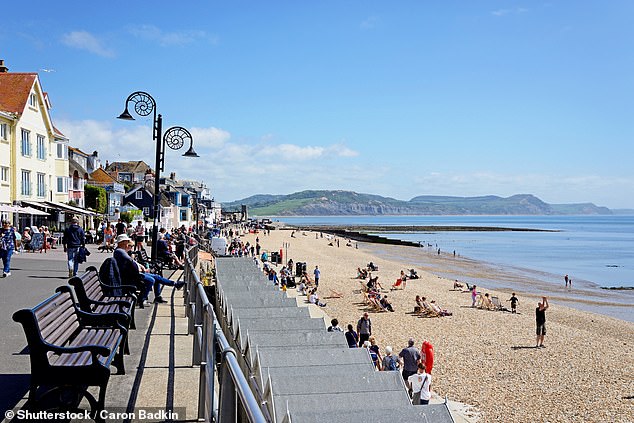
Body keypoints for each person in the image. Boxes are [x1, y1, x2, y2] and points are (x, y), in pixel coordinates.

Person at [114, 234, 184, 307]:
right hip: (130, 276)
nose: (128, 243)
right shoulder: (119, 251)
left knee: (156, 277)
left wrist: (140, 266)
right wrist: (140, 268)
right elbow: (130, 261)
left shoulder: (121, 251)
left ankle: (162, 294)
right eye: (126, 241)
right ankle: (141, 299)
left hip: (132, 274)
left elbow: (131, 262)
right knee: (151, 280)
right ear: (122, 242)